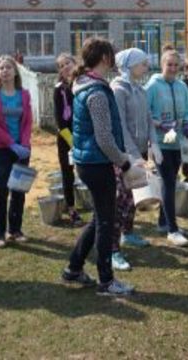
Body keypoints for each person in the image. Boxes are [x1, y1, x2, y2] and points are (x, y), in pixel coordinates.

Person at [61, 37, 145, 296]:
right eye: (111, 57)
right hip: (97, 163)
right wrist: (124, 161)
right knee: (106, 222)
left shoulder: (86, 84)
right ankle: (106, 281)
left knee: (99, 218)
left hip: (90, 161)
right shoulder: (96, 92)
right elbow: (104, 138)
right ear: (105, 58)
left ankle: (73, 268)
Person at [109, 48, 156, 271]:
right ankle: (113, 249)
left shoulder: (140, 89)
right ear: (130, 66)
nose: (146, 67)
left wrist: (153, 143)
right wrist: (133, 156)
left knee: (133, 193)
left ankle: (129, 232)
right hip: (123, 155)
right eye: (143, 63)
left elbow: (148, 118)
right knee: (120, 200)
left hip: (138, 152)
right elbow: (120, 128)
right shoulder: (118, 90)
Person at [0, 55, 33, 248]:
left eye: (8, 67)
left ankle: (15, 230)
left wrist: (25, 145)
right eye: (1, 68)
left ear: (15, 71)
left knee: (19, 190)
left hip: (22, 149)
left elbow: (28, 121)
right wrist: (12, 143)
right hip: (0, 149)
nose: (5, 71)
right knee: (1, 190)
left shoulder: (25, 94)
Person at [145, 49, 188, 247]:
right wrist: (158, 124)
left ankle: (163, 222)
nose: (173, 68)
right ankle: (173, 230)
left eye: (176, 65)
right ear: (162, 64)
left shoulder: (182, 86)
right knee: (168, 182)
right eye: (169, 64)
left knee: (172, 179)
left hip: (177, 140)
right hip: (160, 140)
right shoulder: (152, 86)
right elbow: (144, 111)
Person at [54, 53, 84, 227]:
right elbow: (60, 122)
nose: (65, 67)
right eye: (61, 65)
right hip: (67, 139)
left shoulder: (82, 84)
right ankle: (72, 209)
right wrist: (73, 142)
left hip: (84, 136)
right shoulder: (59, 89)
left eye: (68, 63)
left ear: (75, 63)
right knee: (68, 174)